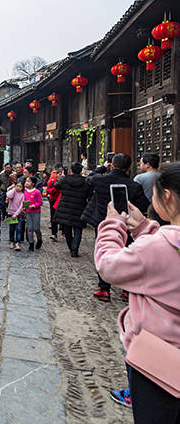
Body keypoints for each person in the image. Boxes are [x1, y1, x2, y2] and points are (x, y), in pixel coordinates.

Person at [95, 163, 180, 423]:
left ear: (166, 196)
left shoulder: (156, 248)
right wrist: (144, 228)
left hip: (160, 364)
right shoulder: (159, 245)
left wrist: (113, 224)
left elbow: (108, 264)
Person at [82, 153, 150, 302]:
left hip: (104, 223)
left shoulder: (99, 180)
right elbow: (144, 205)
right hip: (128, 225)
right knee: (128, 255)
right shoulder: (134, 186)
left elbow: (88, 178)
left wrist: (102, 168)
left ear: (111, 165)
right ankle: (127, 290)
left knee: (104, 251)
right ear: (129, 167)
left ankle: (104, 289)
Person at [54, 162, 90, 257]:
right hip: (79, 207)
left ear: (71, 170)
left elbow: (56, 186)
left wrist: (62, 177)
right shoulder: (85, 181)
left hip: (65, 208)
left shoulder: (65, 179)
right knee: (78, 229)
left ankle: (71, 247)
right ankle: (74, 249)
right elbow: (89, 194)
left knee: (67, 229)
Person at [24, 175, 44, 251]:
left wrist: (33, 206)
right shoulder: (24, 191)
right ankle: (31, 243)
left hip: (35, 212)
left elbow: (40, 202)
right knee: (29, 228)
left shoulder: (37, 192)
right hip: (28, 212)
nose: (27, 183)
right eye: (26, 181)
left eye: (29, 181)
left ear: (33, 183)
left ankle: (39, 239)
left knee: (36, 228)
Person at [6, 181, 25, 250]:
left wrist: (16, 214)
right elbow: (8, 195)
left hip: (18, 214)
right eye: (17, 186)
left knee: (18, 229)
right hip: (11, 214)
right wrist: (13, 189)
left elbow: (21, 206)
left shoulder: (22, 195)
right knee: (11, 229)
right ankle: (11, 241)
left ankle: (17, 242)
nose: (18, 188)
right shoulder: (13, 192)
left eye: (20, 186)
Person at [47, 163, 64, 241]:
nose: (60, 175)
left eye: (61, 174)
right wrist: (55, 189)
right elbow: (48, 190)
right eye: (59, 174)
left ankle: (64, 233)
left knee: (63, 218)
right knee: (54, 217)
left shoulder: (65, 182)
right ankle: (54, 234)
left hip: (63, 202)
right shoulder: (52, 181)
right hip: (54, 201)